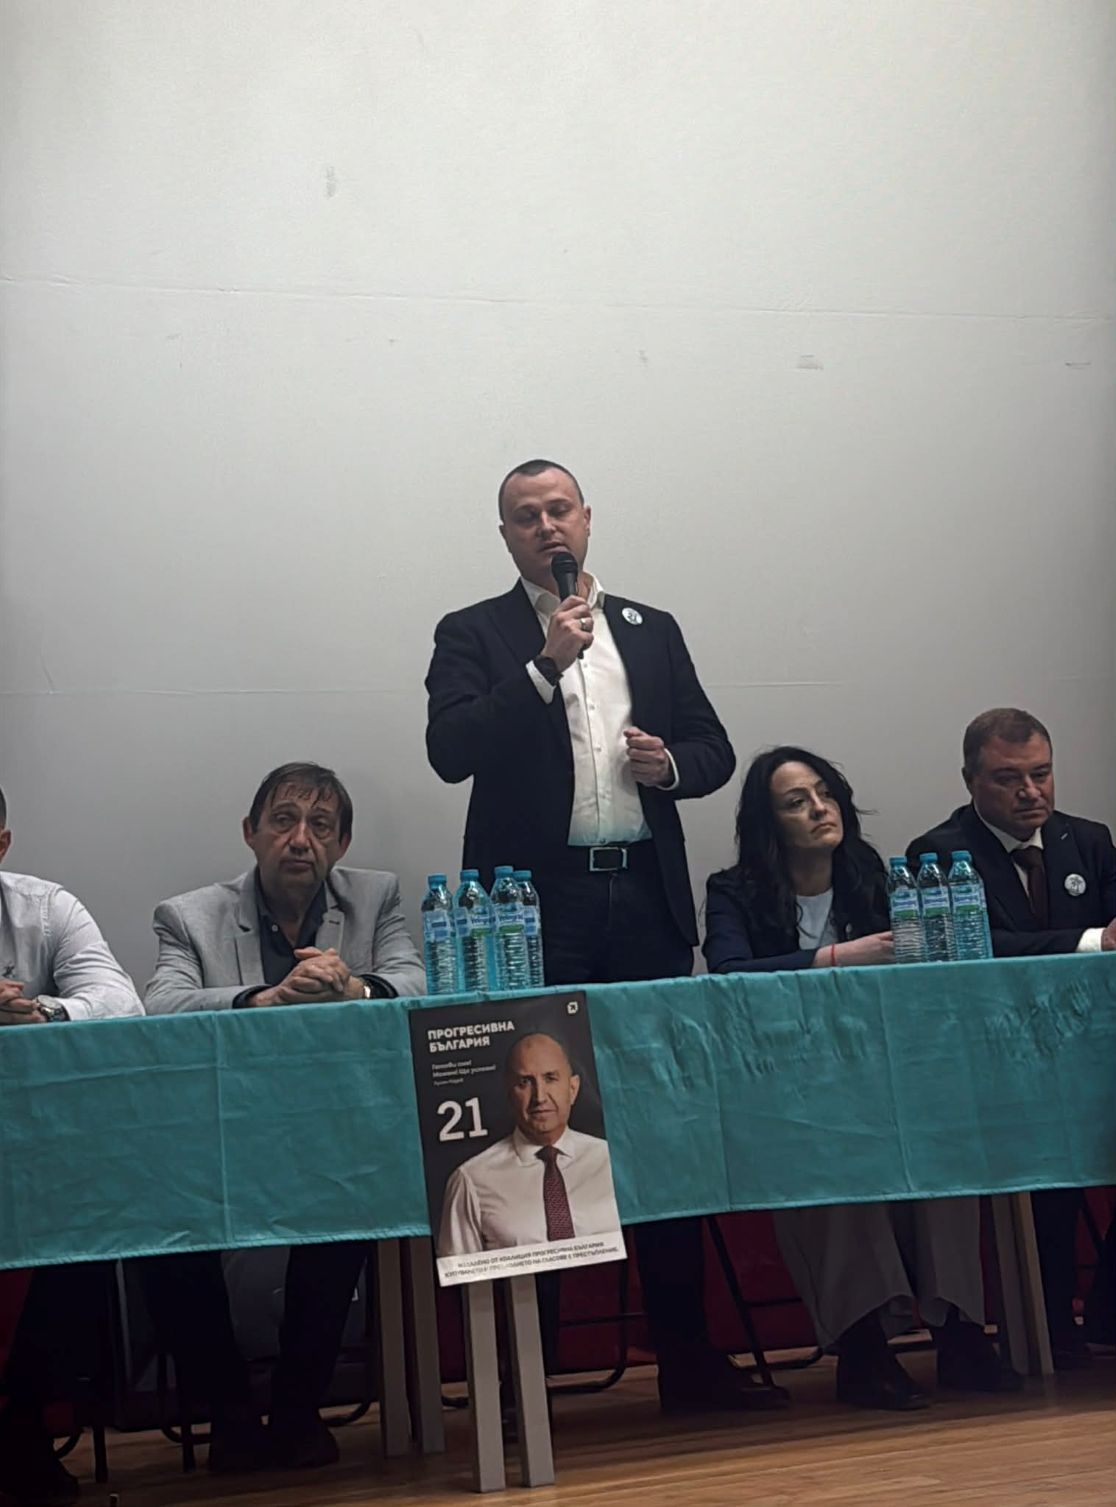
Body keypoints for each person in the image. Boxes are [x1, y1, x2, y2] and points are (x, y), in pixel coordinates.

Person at [424, 460, 766, 1415]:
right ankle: (523, 1378)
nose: (546, 526)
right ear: (506, 537)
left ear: (586, 518)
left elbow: (713, 748)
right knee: (530, 1127)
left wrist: (671, 766)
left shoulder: (651, 628)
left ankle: (688, 1360)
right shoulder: (474, 632)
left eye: (559, 509)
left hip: (643, 900)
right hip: (538, 910)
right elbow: (450, 750)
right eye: (525, 516)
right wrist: (542, 666)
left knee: (660, 1122)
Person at [705, 747, 1019, 1409]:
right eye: (797, 802)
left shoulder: (873, 876)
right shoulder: (732, 890)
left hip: (886, 1075)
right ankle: (863, 1347)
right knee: (832, 1161)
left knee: (945, 1155)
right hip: (792, 1088)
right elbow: (729, 975)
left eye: (825, 793)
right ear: (768, 822)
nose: (820, 809)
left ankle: (959, 1330)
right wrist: (839, 956)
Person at [142, 762, 425, 1472]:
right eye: (284, 821)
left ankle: (300, 1412)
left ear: (342, 843)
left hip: (336, 1132)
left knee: (351, 1207)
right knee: (160, 1233)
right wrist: (265, 997)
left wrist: (353, 987)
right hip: (220, 1133)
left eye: (321, 826)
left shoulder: (376, 896)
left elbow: (417, 981)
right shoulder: (188, 915)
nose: (301, 839)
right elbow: (161, 1005)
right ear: (251, 832)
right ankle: (230, 1417)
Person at [907, 707, 1116, 1367]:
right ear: (971, 780)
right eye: (1008, 778)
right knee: (1042, 1176)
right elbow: (976, 948)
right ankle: (1047, 1327)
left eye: (1042, 774)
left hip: (1090, 1049)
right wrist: (1090, 941)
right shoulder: (939, 853)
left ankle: (1103, 1309)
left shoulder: (1089, 840)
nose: (1031, 792)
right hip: (993, 1064)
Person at [0, 783, 142, 1507]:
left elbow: (122, 1003)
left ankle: (21, 1432)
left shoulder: (45, 908)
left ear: (1, 846)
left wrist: (42, 1012)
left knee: (89, 1219)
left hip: (34, 1159)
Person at [438, 1033, 620, 1256]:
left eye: (550, 1078)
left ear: (573, 1089)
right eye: (524, 1082)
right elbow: (461, 1273)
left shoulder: (614, 1161)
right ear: (509, 1094)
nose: (539, 1097)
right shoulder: (470, 1180)